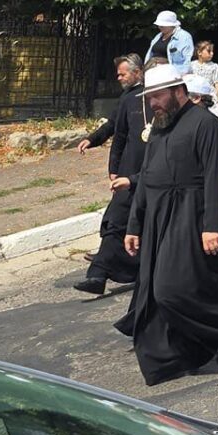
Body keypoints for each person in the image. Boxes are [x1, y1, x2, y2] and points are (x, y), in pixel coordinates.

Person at [115, 64, 218, 386]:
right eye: (149, 97)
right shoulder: (159, 125)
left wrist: (212, 225)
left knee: (170, 289)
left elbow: (215, 176)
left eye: (157, 96)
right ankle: (173, 358)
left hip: (189, 212)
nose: (152, 103)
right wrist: (134, 225)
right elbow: (147, 176)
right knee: (156, 291)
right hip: (157, 214)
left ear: (178, 91)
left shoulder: (206, 124)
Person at [73, 54, 145, 296]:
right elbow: (116, 130)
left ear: (138, 72)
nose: (119, 77)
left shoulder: (157, 98)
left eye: (123, 73)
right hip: (129, 170)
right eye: (118, 74)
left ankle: (118, 267)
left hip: (154, 171)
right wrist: (93, 140)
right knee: (116, 219)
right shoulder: (128, 98)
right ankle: (98, 273)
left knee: (142, 223)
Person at [186, 41, 218, 123]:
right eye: (209, 51)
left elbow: (217, 83)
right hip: (195, 96)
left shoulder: (214, 66)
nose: (212, 53)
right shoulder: (191, 65)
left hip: (210, 96)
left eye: (212, 51)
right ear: (199, 52)